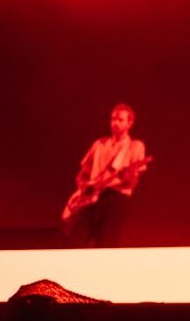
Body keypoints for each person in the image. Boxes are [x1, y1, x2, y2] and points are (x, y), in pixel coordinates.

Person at [61, 103, 152, 247]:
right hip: (90, 198)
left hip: (114, 200)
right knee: (74, 242)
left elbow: (133, 182)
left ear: (130, 123)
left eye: (120, 120)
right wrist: (82, 187)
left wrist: (122, 178)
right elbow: (82, 173)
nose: (115, 122)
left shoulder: (135, 146)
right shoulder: (99, 144)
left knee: (106, 245)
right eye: (113, 119)